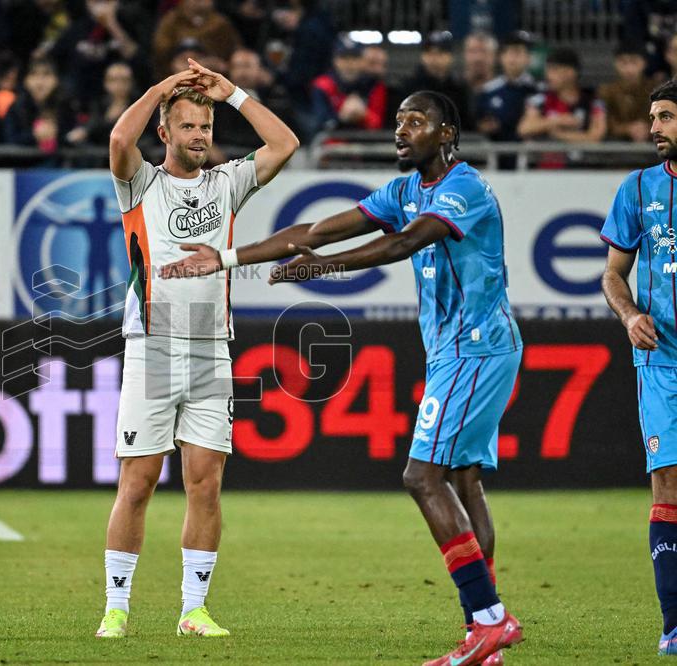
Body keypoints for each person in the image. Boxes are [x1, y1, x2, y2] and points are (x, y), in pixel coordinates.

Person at [164, 90, 523, 665]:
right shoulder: (406, 189)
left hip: (476, 349)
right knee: (461, 479)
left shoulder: (465, 189)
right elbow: (319, 229)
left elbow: (403, 243)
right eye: (398, 121)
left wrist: (323, 267)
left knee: (422, 477)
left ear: (447, 134)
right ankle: (485, 630)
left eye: (417, 121)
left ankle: (488, 618)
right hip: (459, 351)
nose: (401, 130)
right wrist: (228, 257)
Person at [94, 58, 298, 639]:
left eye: (205, 128)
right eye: (187, 127)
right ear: (166, 133)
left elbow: (284, 142)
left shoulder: (226, 182)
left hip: (212, 348)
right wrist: (163, 88)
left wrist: (230, 93)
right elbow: (117, 137)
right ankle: (116, 608)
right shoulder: (140, 182)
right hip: (152, 345)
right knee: (137, 484)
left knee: (205, 483)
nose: (200, 137)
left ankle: (194, 610)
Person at [601, 79, 677, 657]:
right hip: (661, 360)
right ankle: (674, 622)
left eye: (667, 117)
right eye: (654, 117)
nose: (654, 127)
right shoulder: (638, 188)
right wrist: (629, 316)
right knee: (667, 484)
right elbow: (611, 275)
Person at [398, 31, 474, 130]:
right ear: (423, 56)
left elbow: (467, 125)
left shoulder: (459, 89)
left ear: (450, 57)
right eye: (429, 53)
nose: (434, 58)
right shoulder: (409, 88)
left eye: (440, 53)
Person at [311, 37, 387, 132]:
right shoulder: (323, 85)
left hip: (367, 142)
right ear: (335, 61)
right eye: (344, 58)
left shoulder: (374, 85)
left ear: (362, 61)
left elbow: (379, 124)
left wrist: (364, 114)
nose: (349, 64)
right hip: (333, 142)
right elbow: (320, 123)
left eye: (354, 58)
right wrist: (341, 117)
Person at [475, 30, 537, 144]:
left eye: (518, 52)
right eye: (507, 52)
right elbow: (479, 122)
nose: (512, 58)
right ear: (501, 57)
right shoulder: (488, 91)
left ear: (528, 57)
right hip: (496, 156)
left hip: (530, 157)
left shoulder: (538, 89)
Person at [599, 42, 655, 142]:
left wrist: (646, 129)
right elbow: (603, 123)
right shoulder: (606, 91)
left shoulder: (657, 89)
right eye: (623, 62)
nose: (629, 69)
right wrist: (627, 129)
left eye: (634, 62)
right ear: (615, 63)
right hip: (613, 146)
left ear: (645, 63)